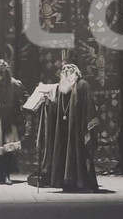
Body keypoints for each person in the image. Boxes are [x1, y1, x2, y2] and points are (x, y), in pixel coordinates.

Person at [39, 62, 99, 192]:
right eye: (63, 69)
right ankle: (65, 182)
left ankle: (81, 183)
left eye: (69, 68)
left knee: (78, 154)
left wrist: (88, 127)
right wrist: (48, 103)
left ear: (76, 72)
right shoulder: (61, 88)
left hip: (78, 128)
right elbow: (57, 109)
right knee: (63, 154)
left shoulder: (83, 85)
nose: (66, 70)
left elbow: (89, 106)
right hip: (63, 128)